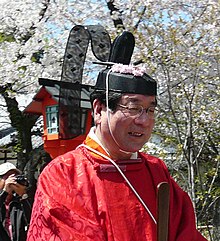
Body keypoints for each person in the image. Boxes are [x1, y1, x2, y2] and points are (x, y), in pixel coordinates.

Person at [27, 63, 207, 241]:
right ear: (98, 110)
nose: (144, 120)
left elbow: (187, 233)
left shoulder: (156, 170)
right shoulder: (64, 173)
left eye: (150, 110)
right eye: (133, 108)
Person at [0, 162, 32, 241]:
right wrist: (5, 192)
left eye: (15, 177)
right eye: (7, 177)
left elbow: (31, 221)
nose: (12, 181)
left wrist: (23, 195)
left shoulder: (20, 202)